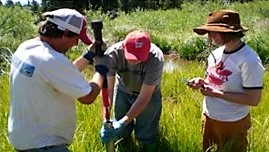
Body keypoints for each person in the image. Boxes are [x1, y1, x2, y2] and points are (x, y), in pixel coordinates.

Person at [8, 8, 108, 152]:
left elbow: (61, 75)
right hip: (44, 145)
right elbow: (88, 96)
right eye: (76, 39)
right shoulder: (51, 60)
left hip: (25, 139)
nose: (76, 44)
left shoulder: (27, 47)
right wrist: (101, 71)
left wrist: (88, 55)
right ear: (65, 33)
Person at [187, 10, 264, 152]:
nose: (210, 36)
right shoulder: (215, 54)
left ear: (231, 32)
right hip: (209, 117)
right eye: (208, 32)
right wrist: (202, 82)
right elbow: (216, 81)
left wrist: (216, 94)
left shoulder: (249, 60)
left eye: (215, 32)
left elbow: (253, 99)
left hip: (233, 122)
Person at [76, 30, 164, 152]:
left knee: (147, 130)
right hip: (123, 91)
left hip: (149, 96)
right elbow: (109, 90)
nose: (135, 60)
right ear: (124, 47)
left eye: (139, 57)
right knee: (121, 132)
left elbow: (145, 96)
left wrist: (123, 122)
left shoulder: (156, 58)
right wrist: (105, 120)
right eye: (132, 57)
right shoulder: (113, 54)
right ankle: (124, 147)